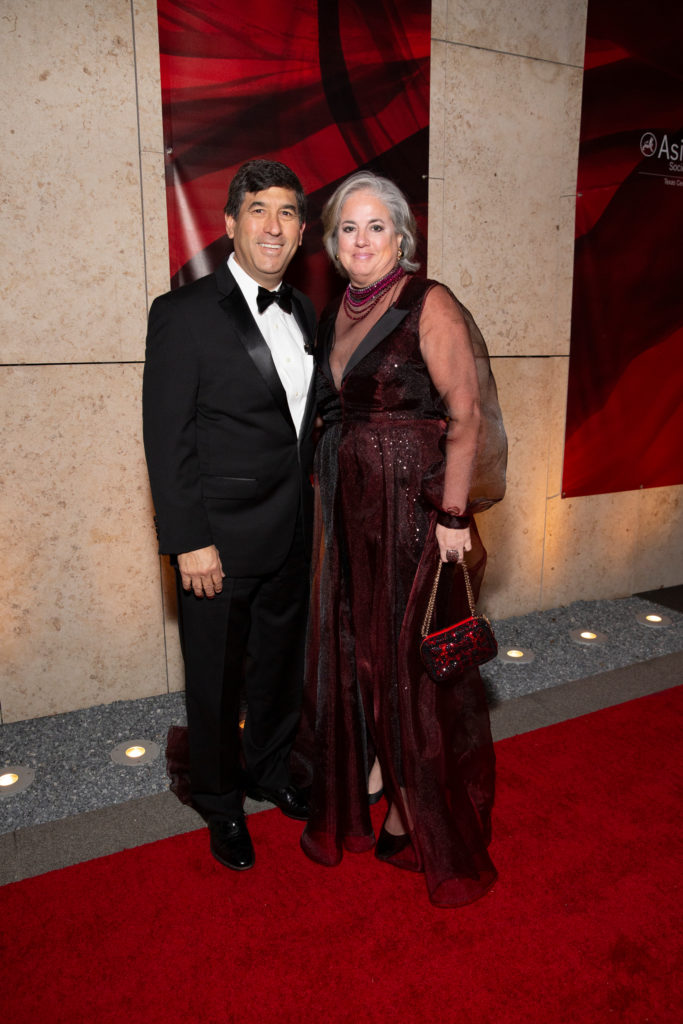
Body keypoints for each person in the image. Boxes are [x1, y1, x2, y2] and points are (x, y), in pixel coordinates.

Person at [294, 171, 507, 907]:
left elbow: (466, 414)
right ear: (332, 242)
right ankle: (380, 776)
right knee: (359, 649)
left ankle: (415, 811)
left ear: (400, 236)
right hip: (350, 507)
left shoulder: (428, 302)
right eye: (347, 228)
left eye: (375, 226)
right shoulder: (336, 312)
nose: (361, 241)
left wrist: (451, 515)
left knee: (407, 659)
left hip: (415, 507)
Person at [142, 159, 316, 871]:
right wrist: (188, 541)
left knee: (278, 668)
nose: (272, 226)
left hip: (293, 532)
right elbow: (167, 438)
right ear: (229, 224)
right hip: (216, 542)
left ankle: (269, 770)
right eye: (258, 210)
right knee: (215, 683)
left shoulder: (306, 312)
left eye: (286, 213)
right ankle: (219, 803)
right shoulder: (181, 313)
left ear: (301, 232)